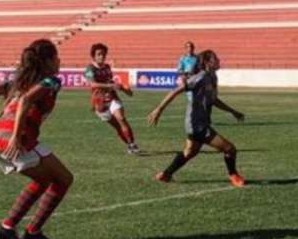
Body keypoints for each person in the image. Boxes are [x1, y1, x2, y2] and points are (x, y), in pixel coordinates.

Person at [0, 39, 72, 239]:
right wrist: (16, 136)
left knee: (44, 180)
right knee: (64, 179)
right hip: (16, 139)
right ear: (48, 61)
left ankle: (10, 229)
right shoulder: (52, 81)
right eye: (56, 57)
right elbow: (25, 101)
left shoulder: (20, 82)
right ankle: (30, 231)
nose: (59, 61)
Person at [147, 49, 246, 187]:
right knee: (229, 149)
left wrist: (232, 111)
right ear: (207, 62)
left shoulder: (212, 77)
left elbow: (213, 100)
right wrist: (159, 109)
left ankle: (166, 174)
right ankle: (234, 176)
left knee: (190, 152)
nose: (219, 61)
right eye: (215, 58)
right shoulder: (200, 77)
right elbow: (175, 91)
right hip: (196, 124)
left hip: (200, 122)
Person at [85, 43, 140, 154]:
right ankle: (129, 144)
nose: (102, 56)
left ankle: (132, 144)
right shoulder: (90, 68)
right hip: (99, 102)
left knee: (121, 118)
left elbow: (110, 81)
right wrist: (110, 85)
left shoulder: (107, 67)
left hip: (112, 97)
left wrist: (121, 87)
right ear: (93, 56)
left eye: (103, 54)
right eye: (99, 54)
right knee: (117, 126)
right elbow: (93, 84)